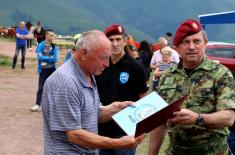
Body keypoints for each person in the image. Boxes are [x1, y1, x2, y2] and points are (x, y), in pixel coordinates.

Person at [42, 30, 145, 155]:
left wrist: (114, 108)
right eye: (103, 58)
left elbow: (89, 115)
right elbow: (74, 134)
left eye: (108, 58)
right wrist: (119, 143)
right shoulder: (66, 82)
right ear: (84, 53)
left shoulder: (88, 74)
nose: (107, 64)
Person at [148, 19, 235, 155]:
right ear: (176, 48)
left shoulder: (221, 74)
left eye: (196, 41)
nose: (192, 47)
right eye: (186, 42)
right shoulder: (166, 77)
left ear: (205, 44)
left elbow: (228, 117)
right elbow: (159, 123)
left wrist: (197, 118)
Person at [95, 24, 149, 155]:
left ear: (125, 41)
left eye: (118, 39)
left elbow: (144, 99)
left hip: (125, 132)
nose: (115, 43)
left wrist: (141, 129)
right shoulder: (100, 65)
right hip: (100, 130)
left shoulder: (136, 67)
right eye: (111, 40)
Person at [30, 29, 58, 112]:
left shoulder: (54, 46)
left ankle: (52, 106)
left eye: (53, 35)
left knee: (53, 87)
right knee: (41, 87)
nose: (53, 37)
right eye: (51, 35)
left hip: (52, 69)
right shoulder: (41, 45)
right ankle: (37, 104)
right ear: (46, 35)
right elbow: (39, 57)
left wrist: (46, 58)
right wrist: (50, 58)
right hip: (43, 70)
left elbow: (55, 59)